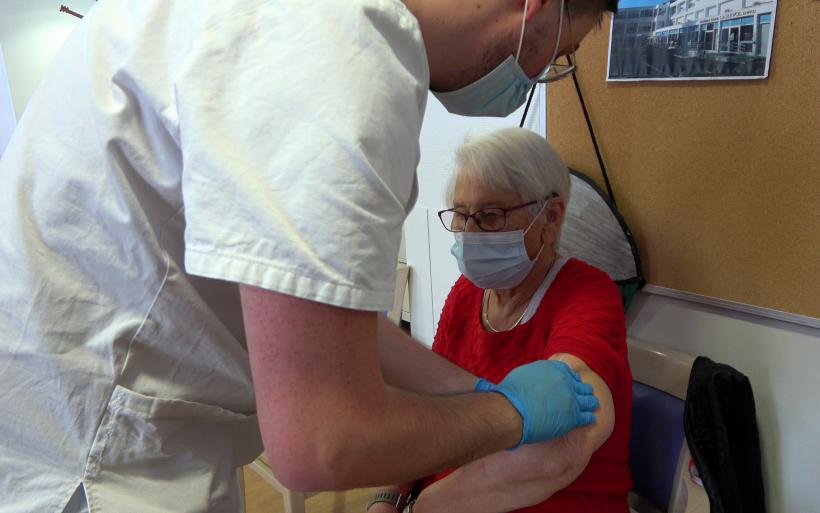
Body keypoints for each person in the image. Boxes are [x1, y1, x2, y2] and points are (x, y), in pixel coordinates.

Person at [0, 1, 618, 512]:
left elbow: (321, 321)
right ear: (541, 8)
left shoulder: (286, 26)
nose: (539, 72)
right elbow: (322, 440)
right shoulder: (340, 52)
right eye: (561, 53)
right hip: (102, 460)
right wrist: (504, 413)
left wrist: (472, 393)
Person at [368, 128, 632, 513]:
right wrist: (388, 498)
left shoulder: (587, 293)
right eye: (461, 215)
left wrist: (431, 504)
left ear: (550, 217)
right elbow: (429, 404)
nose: (469, 233)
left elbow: (571, 426)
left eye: (490, 216)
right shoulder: (467, 293)